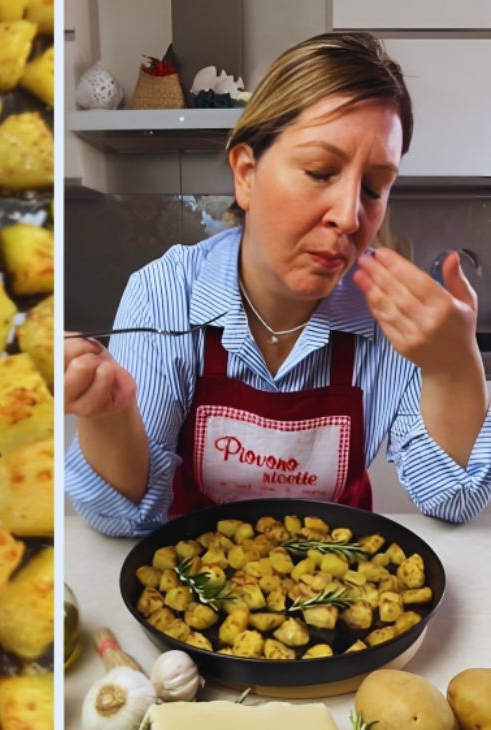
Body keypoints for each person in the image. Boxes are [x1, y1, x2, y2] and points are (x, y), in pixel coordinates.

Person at [65, 31, 491, 537]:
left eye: (375, 188)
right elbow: (122, 517)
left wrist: (454, 367)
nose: (349, 216)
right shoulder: (167, 295)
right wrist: (107, 416)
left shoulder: (391, 316)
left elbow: (452, 499)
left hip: (345, 585)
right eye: (319, 171)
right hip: (200, 586)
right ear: (246, 175)